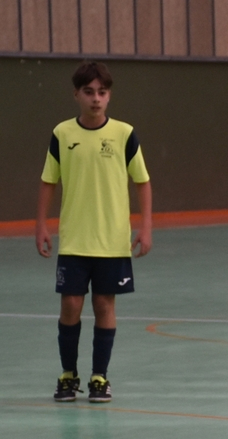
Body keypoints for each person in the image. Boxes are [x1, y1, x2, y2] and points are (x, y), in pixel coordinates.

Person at [37, 61, 152, 404]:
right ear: (76, 94)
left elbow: (143, 182)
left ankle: (99, 377)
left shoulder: (124, 134)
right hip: (74, 239)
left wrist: (146, 226)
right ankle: (68, 374)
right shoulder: (62, 134)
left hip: (112, 241)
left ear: (109, 95)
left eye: (102, 92)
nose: (96, 99)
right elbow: (48, 181)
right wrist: (41, 224)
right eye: (89, 92)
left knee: (104, 305)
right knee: (70, 305)